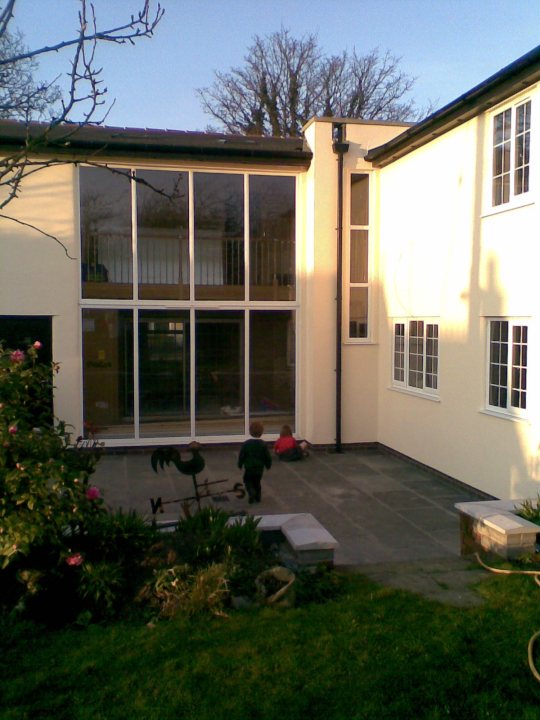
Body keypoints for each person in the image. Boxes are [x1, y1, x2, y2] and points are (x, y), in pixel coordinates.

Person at [238, 421, 272, 504]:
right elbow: (267, 456)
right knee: (257, 482)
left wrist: (240, 463)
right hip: (259, 468)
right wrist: (268, 465)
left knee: (247, 481)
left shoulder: (246, 444)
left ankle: (251, 492)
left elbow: (242, 455)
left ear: (250, 432)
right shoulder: (263, 444)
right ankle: (258, 496)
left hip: (249, 467)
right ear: (261, 432)